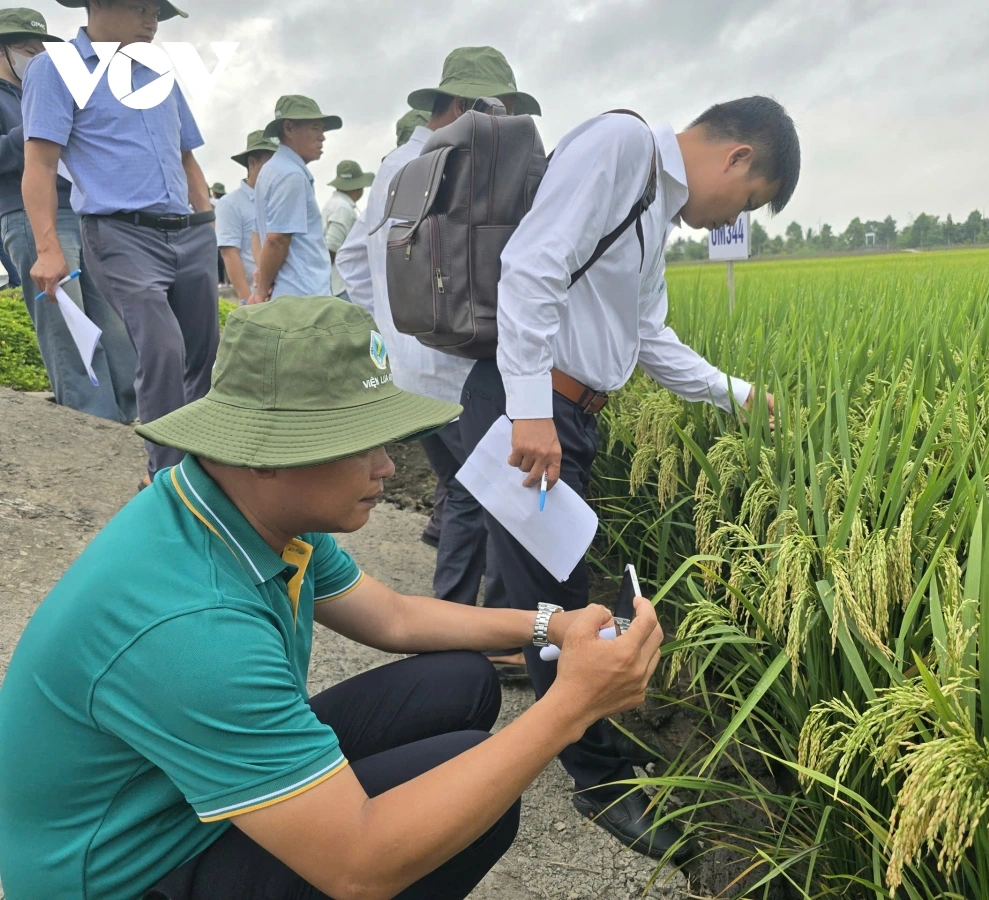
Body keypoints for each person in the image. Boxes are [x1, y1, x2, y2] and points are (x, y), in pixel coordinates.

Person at [0, 295, 665, 900]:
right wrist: (573, 704)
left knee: (460, 684)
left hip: (176, 799)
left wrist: (551, 624)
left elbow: (393, 616)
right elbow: (359, 869)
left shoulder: (243, 507)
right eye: (360, 444)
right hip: (128, 870)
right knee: (468, 808)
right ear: (264, 453)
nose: (387, 466)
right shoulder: (195, 628)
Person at [458, 95, 800, 858]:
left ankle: (569, 734)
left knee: (556, 587)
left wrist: (738, 395)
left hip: (565, 416)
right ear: (737, 157)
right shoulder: (621, 147)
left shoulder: (651, 206)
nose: (728, 222)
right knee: (558, 607)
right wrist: (530, 412)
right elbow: (531, 267)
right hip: (531, 414)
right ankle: (601, 782)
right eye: (746, 202)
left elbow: (647, 335)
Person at [337, 47, 539, 669]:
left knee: (462, 494)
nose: (502, 122)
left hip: (406, 372)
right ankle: (492, 637)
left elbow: (353, 261)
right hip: (459, 372)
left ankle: (453, 625)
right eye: (496, 109)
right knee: (497, 500)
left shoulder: (393, 166)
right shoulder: (465, 163)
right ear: (461, 106)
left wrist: (393, 325)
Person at [22, 0, 219, 487]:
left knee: (205, 354)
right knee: (162, 347)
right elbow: (40, 165)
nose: (152, 20)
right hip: (120, 233)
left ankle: (204, 466)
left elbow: (186, 157)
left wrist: (206, 222)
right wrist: (48, 249)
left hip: (188, 231)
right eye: (139, 7)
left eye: (156, 10)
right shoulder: (56, 69)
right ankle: (167, 478)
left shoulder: (160, 72)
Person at [0, 7, 137, 422]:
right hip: (30, 219)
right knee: (67, 326)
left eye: (42, 49)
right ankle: (91, 421)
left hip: (80, 212)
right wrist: (39, 128)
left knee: (115, 323)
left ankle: (131, 414)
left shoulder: (47, 88)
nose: (37, 56)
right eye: (27, 49)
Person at [251, 95, 341, 304]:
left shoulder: (270, 170)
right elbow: (276, 239)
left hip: (289, 297)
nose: (322, 137)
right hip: (304, 299)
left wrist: (263, 278)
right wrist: (261, 291)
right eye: (315, 128)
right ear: (289, 128)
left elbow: (257, 234)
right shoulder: (291, 175)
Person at [216, 129, 275, 305]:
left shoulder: (279, 198)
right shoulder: (230, 203)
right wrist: (249, 300)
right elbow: (229, 253)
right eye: (271, 163)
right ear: (252, 163)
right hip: (256, 298)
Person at [321, 159, 372, 301]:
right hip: (341, 284)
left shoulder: (337, 204)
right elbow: (332, 246)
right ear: (358, 187)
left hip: (338, 282)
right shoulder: (342, 208)